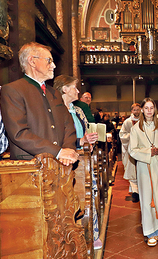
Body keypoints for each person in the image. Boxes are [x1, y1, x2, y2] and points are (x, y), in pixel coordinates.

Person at [0, 42, 78, 166]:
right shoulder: (13, 90)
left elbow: (68, 126)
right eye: (49, 60)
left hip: (61, 163)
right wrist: (58, 152)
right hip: (30, 165)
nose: (53, 65)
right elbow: (18, 133)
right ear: (32, 61)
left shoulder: (54, 93)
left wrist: (68, 150)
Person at [53, 75, 102, 249]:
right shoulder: (55, 110)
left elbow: (85, 131)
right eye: (75, 87)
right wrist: (81, 140)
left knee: (89, 194)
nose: (78, 91)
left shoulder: (78, 110)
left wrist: (90, 139)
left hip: (83, 158)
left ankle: (92, 233)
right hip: (65, 160)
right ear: (64, 89)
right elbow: (56, 138)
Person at [128, 98, 158, 247]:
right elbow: (132, 150)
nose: (149, 111)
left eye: (151, 108)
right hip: (145, 166)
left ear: (155, 109)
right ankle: (151, 231)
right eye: (146, 108)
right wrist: (149, 152)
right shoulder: (136, 129)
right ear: (142, 110)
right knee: (148, 198)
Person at [119, 103, 141, 203]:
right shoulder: (127, 122)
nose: (136, 111)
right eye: (134, 110)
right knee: (132, 170)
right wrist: (131, 135)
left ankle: (141, 190)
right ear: (132, 111)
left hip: (142, 150)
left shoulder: (144, 120)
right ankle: (135, 192)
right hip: (130, 150)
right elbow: (122, 135)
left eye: (138, 109)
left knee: (141, 170)